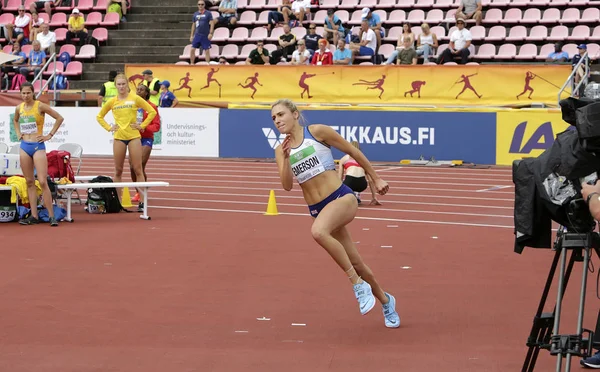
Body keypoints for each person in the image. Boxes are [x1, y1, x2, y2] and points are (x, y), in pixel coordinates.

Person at [271, 99, 400, 328]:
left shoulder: (317, 132)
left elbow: (352, 151)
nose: (277, 120)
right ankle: (386, 300)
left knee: (318, 232)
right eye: (273, 118)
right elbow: (287, 185)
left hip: (341, 198)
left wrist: (376, 177)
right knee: (357, 262)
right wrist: (286, 159)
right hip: (318, 209)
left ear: (295, 114)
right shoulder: (280, 150)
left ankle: (357, 285)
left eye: (281, 114)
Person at [96, 73, 157, 202]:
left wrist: (142, 125)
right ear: (115, 86)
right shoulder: (112, 101)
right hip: (119, 137)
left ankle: (142, 201)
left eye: (123, 84)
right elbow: (99, 116)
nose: (121, 86)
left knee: (138, 169)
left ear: (127, 85)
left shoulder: (135, 98)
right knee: (118, 170)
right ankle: (118, 201)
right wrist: (109, 128)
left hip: (134, 137)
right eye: (119, 84)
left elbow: (152, 111)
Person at [13, 82, 64, 226]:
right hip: (24, 146)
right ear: (20, 94)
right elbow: (15, 120)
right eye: (23, 93)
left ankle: (51, 216)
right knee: (29, 181)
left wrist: (49, 135)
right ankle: (34, 215)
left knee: (42, 181)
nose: (25, 96)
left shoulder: (39, 106)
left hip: (37, 146)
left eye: (28, 93)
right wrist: (18, 133)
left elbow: (59, 118)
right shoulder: (19, 108)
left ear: (33, 93)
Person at [130, 84, 161, 209]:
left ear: (146, 93)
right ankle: (139, 191)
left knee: (139, 165)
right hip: (133, 138)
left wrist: (143, 127)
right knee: (132, 167)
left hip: (146, 139)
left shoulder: (152, 107)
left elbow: (156, 126)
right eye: (137, 89)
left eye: (141, 90)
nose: (138, 91)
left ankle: (142, 192)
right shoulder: (132, 106)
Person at [338, 141, 381, 206]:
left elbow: (339, 178)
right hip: (362, 184)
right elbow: (370, 180)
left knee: (346, 185)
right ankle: (356, 195)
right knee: (355, 185)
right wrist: (374, 197)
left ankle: (351, 196)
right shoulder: (363, 159)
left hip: (350, 182)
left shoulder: (344, 159)